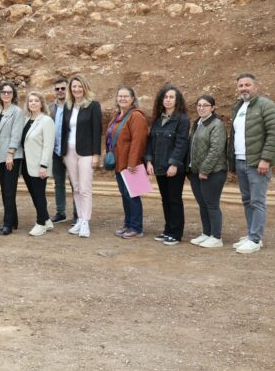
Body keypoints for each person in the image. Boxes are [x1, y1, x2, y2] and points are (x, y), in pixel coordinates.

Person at [229, 73, 275, 254]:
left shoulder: (266, 106)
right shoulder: (238, 108)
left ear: (256, 87)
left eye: (247, 85)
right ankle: (252, 233)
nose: (244, 88)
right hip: (241, 160)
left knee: (258, 201)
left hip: (257, 163)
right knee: (247, 200)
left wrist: (266, 159)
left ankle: (255, 238)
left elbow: (274, 133)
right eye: (241, 85)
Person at [145, 85, 190, 245]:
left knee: (174, 199)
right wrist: (149, 161)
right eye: (166, 97)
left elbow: (181, 144)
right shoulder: (158, 119)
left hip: (174, 168)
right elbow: (150, 141)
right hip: (159, 166)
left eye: (171, 97)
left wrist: (174, 164)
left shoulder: (182, 120)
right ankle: (168, 230)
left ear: (177, 100)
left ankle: (176, 233)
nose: (168, 100)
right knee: (165, 199)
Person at [61, 75, 102, 239]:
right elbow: (64, 130)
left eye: (79, 86)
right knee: (76, 188)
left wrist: (96, 154)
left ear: (85, 87)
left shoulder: (93, 106)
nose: (76, 89)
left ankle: (85, 221)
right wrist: (63, 153)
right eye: (73, 87)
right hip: (69, 152)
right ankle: (79, 218)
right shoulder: (68, 106)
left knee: (85, 188)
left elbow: (97, 131)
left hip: (86, 152)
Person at [187, 94, 228, 249]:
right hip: (196, 172)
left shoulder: (217, 124)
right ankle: (206, 233)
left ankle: (216, 237)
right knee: (202, 204)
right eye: (199, 105)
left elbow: (216, 149)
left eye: (205, 105)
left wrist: (205, 170)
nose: (201, 108)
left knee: (212, 204)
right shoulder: (197, 123)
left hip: (213, 172)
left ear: (212, 108)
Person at [108, 86, 149, 239]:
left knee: (133, 195)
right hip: (120, 162)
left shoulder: (136, 116)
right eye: (120, 96)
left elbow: (139, 141)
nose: (122, 99)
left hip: (131, 163)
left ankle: (136, 227)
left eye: (126, 96)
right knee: (125, 195)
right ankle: (128, 224)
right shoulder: (118, 115)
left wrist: (133, 163)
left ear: (133, 99)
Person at [21, 91, 56, 237]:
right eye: (30, 101)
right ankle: (47, 220)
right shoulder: (26, 120)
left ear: (41, 103)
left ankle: (41, 223)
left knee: (39, 194)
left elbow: (49, 145)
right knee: (34, 194)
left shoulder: (46, 121)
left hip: (39, 165)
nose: (33, 103)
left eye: (36, 101)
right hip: (26, 165)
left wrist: (44, 165)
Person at [0, 81, 24, 236]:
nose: (6, 94)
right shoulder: (0, 112)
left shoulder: (17, 111)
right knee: (5, 190)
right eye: (3, 92)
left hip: (11, 156)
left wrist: (10, 153)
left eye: (9, 92)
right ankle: (13, 220)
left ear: (13, 95)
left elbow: (16, 134)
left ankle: (7, 224)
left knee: (9, 191)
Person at [49, 77, 76, 224]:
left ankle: (78, 213)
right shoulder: (50, 108)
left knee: (74, 183)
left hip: (71, 151)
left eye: (63, 88)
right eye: (57, 89)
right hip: (55, 152)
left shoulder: (74, 107)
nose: (60, 91)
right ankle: (61, 212)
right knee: (58, 183)